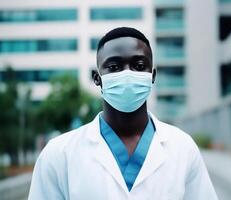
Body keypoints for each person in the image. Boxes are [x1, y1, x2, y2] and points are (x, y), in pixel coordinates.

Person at [28, 27, 218, 200]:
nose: (127, 74)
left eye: (139, 65)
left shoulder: (183, 148)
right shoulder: (58, 155)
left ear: (152, 76)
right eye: (114, 67)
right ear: (97, 78)